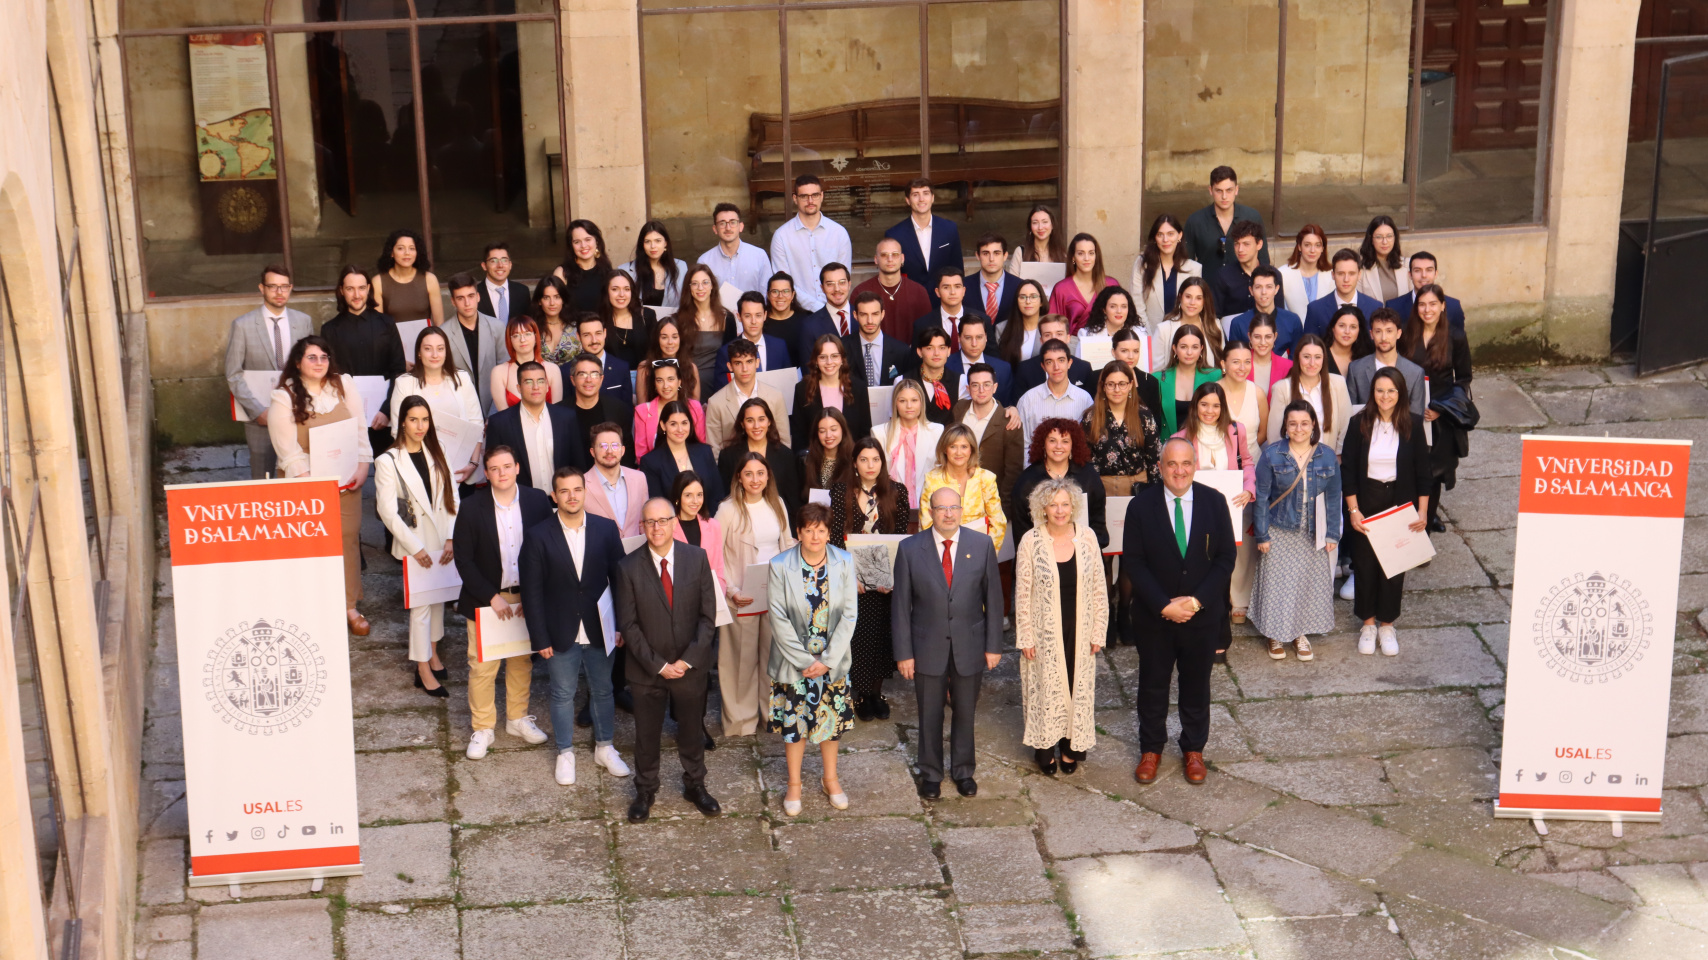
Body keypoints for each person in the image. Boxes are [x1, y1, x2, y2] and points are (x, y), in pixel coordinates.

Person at [1125, 438, 1237, 785]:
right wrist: (1163, 605)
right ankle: (1151, 749)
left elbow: (1224, 559)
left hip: (1201, 617)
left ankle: (1193, 749)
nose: (1179, 470)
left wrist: (1196, 601)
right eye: (1171, 464)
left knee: (1196, 685)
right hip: (1155, 617)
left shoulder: (1214, 502)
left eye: (1185, 463)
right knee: (1153, 684)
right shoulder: (1141, 507)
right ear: (1160, 467)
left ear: (1195, 465)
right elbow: (1134, 562)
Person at [613, 497, 721, 822]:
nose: (657, 527)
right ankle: (645, 791)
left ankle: (695, 785)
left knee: (691, 730)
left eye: (663, 520)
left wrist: (687, 661)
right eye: (650, 522)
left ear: (674, 522)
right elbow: (628, 626)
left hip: (689, 667)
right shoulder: (627, 567)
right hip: (647, 671)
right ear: (642, 526)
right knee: (647, 735)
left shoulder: (696, 558)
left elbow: (707, 616)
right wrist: (659, 665)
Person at [892, 486, 1004, 798]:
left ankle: (964, 771)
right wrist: (904, 653)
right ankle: (930, 773)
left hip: (969, 643)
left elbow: (994, 600)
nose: (948, 513)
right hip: (926, 645)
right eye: (941, 508)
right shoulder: (910, 549)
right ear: (930, 512)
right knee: (929, 712)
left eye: (954, 507)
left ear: (961, 510)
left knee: (966, 711)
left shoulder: (981, 545)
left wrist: (994, 645)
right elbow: (900, 606)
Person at [266, 337, 372, 635]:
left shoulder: (343, 384)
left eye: (324, 356)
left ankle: (349, 605)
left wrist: (363, 465)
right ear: (298, 362)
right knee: (308, 544)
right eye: (311, 357)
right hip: (305, 485)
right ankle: (309, 606)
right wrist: (316, 483)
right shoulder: (284, 397)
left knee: (347, 541)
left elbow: (360, 426)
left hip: (346, 480)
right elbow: (288, 451)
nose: (319, 362)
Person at [454, 445, 553, 760]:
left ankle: (517, 718)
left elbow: (547, 549)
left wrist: (533, 593)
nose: (501, 473)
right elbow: (464, 559)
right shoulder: (471, 507)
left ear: (517, 468)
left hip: (526, 596)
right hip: (487, 599)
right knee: (482, 667)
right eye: (494, 468)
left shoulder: (537, 501)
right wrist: (491, 596)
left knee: (522, 661)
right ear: (487, 473)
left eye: (507, 467)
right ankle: (483, 727)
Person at [766, 502, 859, 815]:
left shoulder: (844, 561)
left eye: (821, 530)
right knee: (795, 722)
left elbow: (849, 614)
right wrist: (805, 661)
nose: (816, 536)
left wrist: (828, 659)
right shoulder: (780, 565)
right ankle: (794, 784)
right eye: (809, 530)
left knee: (829, 723)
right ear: (799, 532)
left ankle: (830, 778)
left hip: (831, 660)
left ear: (828, 532)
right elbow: (777, 617)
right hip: (796, 662)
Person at [1014, 478, 1108, 775]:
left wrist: (1099, 630)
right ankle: (1044, 747)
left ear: (1074, 506)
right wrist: (1026, 636)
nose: (1059, 510)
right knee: (1046, 688)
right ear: (1042, 507)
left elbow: (1099, 587)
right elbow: (1022, 593)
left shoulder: (1088, 537)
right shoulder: (1031, 540)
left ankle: (1071, 748)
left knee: (1076, 687)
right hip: (1044, 632)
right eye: (1053, 504)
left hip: (1081, 628)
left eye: (1065, 504)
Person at [376, 397, 461, 698]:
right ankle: (422, 667)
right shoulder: (388, 461)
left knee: (438, 601)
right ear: (402, 422)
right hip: (417, 545)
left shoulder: (437, 451)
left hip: (442, 540)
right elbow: (387, 511)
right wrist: (415, 548)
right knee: (422, 608)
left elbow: (453, 494)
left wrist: (452, 536)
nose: (420, 426)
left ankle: (433, 654)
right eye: (414, 419)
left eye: (425, 419)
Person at [1342, 369, 1430, 657]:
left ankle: (1387, 624)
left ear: (1400, 393)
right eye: (1380, 390)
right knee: (1365, 564)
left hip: (1400, 501)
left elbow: (1423, 473)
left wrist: (1423, 513)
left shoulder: (1414, 425)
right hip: (1366, 499)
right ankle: (1367, 624)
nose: (1385, 396)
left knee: (1395, 565)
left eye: (1391, 391)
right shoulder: (1359, 424)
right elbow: (1349, 471)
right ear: (1372, 393)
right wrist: (1353, 509)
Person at [1251, 402, 1342, 661]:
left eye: (1304, 423)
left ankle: (1299, 633)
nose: (1299, 428)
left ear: (1313, 424)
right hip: (1279, 527)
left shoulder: (1326, 455)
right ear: (1285, 427)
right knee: (1277, 584)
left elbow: (1334, 497)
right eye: (1293, 423)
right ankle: (1275, 634)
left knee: (1305, 584)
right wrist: (1262, 535)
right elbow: (1261, 498)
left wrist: (1332, 534)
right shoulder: (1272, 454)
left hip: (1312, 529)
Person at [716, 453, 796, 736]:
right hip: (741, 595)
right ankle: (740, 721)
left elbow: (787, 545)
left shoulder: (777, 504)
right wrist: (732, 590)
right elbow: (717, 555)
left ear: (768, 476)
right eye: (748, 474)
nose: (755, 479)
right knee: (741, 660)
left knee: (773, 657)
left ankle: (770, 715)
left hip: (774, 592)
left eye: (760, 473)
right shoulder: (726, 510)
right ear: (739, 477)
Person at [828, 438, 909, 719]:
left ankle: (876, 691)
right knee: (857, 635)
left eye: (875, 460)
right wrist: (851, 577)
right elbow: (836, 538)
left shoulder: (897, 491)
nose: (870, 465)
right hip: (852, 576)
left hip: (886, 578)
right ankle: (860, 695)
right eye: (864, 459)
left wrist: (892, 578)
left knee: (882, 635)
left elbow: (899, 537)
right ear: (854, 462)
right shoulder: (841, 492)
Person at [1172, 382, 1256, 652]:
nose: (1210, 410)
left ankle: (1221, 637)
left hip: (1227, 510)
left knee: (1222, 570)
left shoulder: (1235, 430)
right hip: (1193, 512)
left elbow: (1248, 462)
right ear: (1195, 406)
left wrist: (1248, 489)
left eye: (1216, 405)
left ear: (1223, 408)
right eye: (1204, 404)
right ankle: (1195, 632)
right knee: (1197, 570)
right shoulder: (1181, 437)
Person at [1398, 283, 1472, 532]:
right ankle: (1405, 526)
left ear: (1442, 306)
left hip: (1440, 417)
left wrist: (1442, 408)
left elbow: (1463, 379)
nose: (1427, 310)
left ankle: (1425, 528)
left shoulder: (1455, 336)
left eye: (1432, 304)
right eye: (1422, 304)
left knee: (1432, 475)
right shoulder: (1405, 334)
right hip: (1408, 413)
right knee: (1408, 471)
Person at [228, 264, 313, 479]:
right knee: (263, 475)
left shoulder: (303, 322)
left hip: (298, 411)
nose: (279, 292)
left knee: (301, 471)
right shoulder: (243, 325)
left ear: (291, 288)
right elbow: (233, 373)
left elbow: (311, 367)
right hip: (260, 415)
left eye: (284, 287)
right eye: (273, 286)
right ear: (261, 288)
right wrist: (257, 411)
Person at [320, 265, 408, 460]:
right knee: (347, 476)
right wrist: (342, 413)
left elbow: (398, 370)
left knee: (388, 474)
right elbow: (327, 376)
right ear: (342, 291)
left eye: (361, 288)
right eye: (350, 289)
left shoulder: (386, 323)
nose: (356, 294)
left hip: (382, 417)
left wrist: (387, 410)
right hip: (346, 418)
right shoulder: (329, 330)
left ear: (368, 289)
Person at [671, 471, 727, 753]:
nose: (694, 501)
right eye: (688, 495)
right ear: (677, 497)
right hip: (675, 609)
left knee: (701, 670)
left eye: (699, 495)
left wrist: (719, 595)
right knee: (678, 668)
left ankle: (697, 723)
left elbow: (718, 567)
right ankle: (682, 721)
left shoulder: (712, 525)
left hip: (707, 608)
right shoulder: (667, 525)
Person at [388, 327, 484, 484]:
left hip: (461, 470)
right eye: (428, 349)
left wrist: (473, 463)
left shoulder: (462, 379)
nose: (435, 355)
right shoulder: (404, 383)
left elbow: (476, 423)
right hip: (420, 470)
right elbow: (398, 431)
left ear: (446, 352)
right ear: (419, 353)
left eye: (440, 349)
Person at [485, 361, 587, 492]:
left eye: (540, 381)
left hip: (561, 501)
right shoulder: (500, 423)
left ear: (547, 386)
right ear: (519, 388)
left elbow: (578, 464)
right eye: (528, 382)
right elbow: (493, 469)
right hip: (521, 502)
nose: (535, 387)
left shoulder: (566, 418)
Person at [1010, 418, 1108, 549]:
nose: (1058, 446)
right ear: (1043, 444)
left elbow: (1097, 520)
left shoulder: (1089, 476)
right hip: (1040, 554)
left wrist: (1086, 548)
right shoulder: (1027, 480)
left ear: (1073, 445)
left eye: (1065, 441)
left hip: (1083, 551)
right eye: (1052, 441)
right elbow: (1021, 528)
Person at [950, 364, 1025, 525]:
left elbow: (1013, 472)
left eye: (986, 385)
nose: (981, 390)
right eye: (975, 385)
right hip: (957, 497)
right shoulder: (959, 409)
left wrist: (1001, 509)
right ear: (968, 388)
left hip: (990, 501)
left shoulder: (1009, 422)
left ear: (995, 387)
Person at [769, 174, 852, 314]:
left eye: (815, 195)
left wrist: (828, 308)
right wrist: (817, 308)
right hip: (798, 312)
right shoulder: (781, 236)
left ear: (822, 196)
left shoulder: (839, 233)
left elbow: (843, 278)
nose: (810, 200)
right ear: (795, 198)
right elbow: (784, 283)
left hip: (834, 310)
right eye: (804, 196)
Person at [918, 424, 1008, 551]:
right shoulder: (932, 479)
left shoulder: (986, 478)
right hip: (942, 553)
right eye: (953, 446)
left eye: (964, 447)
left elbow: (998, 524)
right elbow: (926, 525)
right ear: (945, 449)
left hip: (978, 551)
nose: (958, 452)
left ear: (971, 449)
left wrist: (983, 556)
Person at [717, 396, 801, 530]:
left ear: (769, 422)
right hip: (741, 527)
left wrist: (792, 536)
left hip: (778, 526)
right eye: (750, 420)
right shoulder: (728, 456)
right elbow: (724, 497)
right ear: (742, 424)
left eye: (761, 419)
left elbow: (792, 501)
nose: (756, 426)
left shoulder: (785, 455)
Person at [1082, 359, 1160, 497]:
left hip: (1140, 488)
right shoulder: (1091, 417)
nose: (1117, 390)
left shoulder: (1144, 416)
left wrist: (1155, 494)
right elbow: (1085, 459)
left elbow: (1154, 459)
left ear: (1130, 385)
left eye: (1122, 384)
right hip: (1103, 489)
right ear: (1103, 386)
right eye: (1111, 384)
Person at [1265, 335, 1354, 454]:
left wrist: (1337, 456)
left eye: (1317, 357)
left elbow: (1346, 426)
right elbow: (1275, 435)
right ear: (1298, 358)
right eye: (1306, 357)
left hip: (1327, 463)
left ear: (1324, 359)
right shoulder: (1282, 388)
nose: (1312, 363)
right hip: (1293, 464)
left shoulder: (1338, 384)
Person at [707, 337, 793, 453]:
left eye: (749, 361)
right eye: (738, 363)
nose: (745, 369)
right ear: (730, 366)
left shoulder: (775, 396)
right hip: (733, 467)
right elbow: (714, 449)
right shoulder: (716, 403)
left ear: (757, 363)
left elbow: (784, 442)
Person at [885, 177, 964, 303]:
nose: (921, 199)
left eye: (926, 194)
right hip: (909, 302)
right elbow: (892, 275)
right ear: (908, 200)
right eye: (915, 195)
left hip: (943, 302)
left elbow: (957, 269)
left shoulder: (949, 229)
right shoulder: (894, 234)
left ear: (932, 198)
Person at [1183, 165, 1270, 278]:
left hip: (1243, 290)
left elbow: (1263, 260)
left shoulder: (1252, 216)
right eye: (1219, 191)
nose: (1224, 197)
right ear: (1210, 190)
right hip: (1208, 291)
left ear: (1236, 190)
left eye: (1229, 190)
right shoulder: (1195, 221)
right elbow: (1186, 264)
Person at [442, 272, 507, 417]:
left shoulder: (497, 327)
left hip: (495, 406)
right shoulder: (443, 334)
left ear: (478, 297)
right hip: (460, 410)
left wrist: (495, 413)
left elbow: (505, 370)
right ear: (453, 301)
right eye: (460, 298)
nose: (467, 303)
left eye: (471, 296)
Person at [792, 335, 872, 453]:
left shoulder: (858, 388)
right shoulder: (802, 389)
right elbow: (799, 437)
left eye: (834, 356)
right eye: (823, 357)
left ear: (842, 359)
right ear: (816, 361)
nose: (829, 362)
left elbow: (865, 433)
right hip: (816, 462)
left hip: (851, 461)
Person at [871, 380, 942, 512]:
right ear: (895, 404)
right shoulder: (879, 433)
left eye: (914, 400)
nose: (909, 406)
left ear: (921, 403)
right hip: (889, 505)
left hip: (928, 505)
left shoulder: (937, 431)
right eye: (902, 401)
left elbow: (939, 472)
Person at [640, 400, 724, 507]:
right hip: (673, 522)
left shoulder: (705, 452)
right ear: (663, 425)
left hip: (707, 520)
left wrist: (708, 522)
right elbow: (658, 505)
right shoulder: (651, 462)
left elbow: (718, 495)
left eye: (684, 423)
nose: (680, 429)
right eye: (673, 424)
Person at [1346, 308, 1426, 416]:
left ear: (1398, 333)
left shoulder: (1415, 373)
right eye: (1378, 331)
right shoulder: (1355, 369)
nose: (1384, 338)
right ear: (1371, 334)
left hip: (1402, 431)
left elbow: (1416, 418)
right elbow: (1351, 414)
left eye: (1389, 331)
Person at [853, 237, 932, 344]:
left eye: (895, 254)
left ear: (902, 258)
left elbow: (928, 332)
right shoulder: (861, 292)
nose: (890, 259)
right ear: (876, 259)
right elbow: (854, 332)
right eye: (884, 255)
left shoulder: (919, 292)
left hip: (911, 357)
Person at [1131, 214, 1202, 331]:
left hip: (1183, 337)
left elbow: (1194, 308)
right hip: (1150, 333)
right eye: (1160, 235)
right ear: (1154, 238)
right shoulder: (1142, 264)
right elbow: (1137, 304)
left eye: (1170, 234)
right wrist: (1149, 336)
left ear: (1179, 235)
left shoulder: (1194, 268)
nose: (1165, 240)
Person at [713, 292, 793, 394]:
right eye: (747, 316)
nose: (753, 321)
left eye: (758, 315)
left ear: (765, 315)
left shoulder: (779, 347)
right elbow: (721, 393)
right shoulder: (725, 352)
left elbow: (788, 385)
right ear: (739, 316)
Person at [1016, 339, 1095, 441]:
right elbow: (1023, 443)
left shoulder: (1085, 399)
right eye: (1049, 362)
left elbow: (1088, 441)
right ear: (1043, 366)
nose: (1056, 367)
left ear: (1069, 363)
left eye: (1061, 360)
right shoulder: (1028, 399)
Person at [674, 263, 737, 391]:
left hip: (720, 385)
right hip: (688, 385)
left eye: (705, 282)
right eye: (695, 283)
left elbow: (732, 358)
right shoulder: (677, 320)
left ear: (712, 286)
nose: (700, 288)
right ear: (689, 288)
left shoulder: (727, 318)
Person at [565, 354, 636, 466]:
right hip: (572, 480)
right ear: (573, 380)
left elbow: (627, 453)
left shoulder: (618, 409)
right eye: (582, 374)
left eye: (594, 374)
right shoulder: (559, 412)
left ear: (601, 379)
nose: (588, 380)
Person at [632, 359, 707, 460]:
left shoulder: (695, 407)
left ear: (679, 382)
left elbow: (701, 445)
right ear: (655, 384)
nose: (665, 386)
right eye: (659, 380)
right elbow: (641, 455)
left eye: (670, 379)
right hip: (655, 471)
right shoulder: (642, 411)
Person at [583, 421, 647, 537]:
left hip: (636, 552)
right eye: (603, 446)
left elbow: (643, 522)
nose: (610, 451)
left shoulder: (639, 478)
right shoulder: (581, 484)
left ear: (622, 450)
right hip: (600, 554)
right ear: (593, 452)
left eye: (615, 445)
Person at [1224, 266, 1303, 359]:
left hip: (1285, 372)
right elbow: (1235, 358)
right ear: (1251, 290)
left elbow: (1296, 358)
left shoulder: (1292, 321)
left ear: (1276, 289)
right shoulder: (1238, 324)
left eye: (1269, 287)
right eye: (1258, 287)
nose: (1264, 292)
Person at [1303, 249, 1382, 340]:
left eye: (1351, 274)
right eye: (1341, 274)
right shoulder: (1315, 309)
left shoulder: (1375, 307)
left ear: (1359, 275)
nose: (1346, 279)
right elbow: (1309, 347)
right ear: (1333, 275)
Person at [1157, 325, 1221, 438]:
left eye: (1194, 347)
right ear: (1174, 348)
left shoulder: (1215, 376)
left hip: (1204, 446)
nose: (1189, 352)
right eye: (1183, 347)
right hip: (1168, 445)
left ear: (1201, 349)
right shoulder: (1158, 378)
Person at [697, 203, 773, 296]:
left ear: (741, 226)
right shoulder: (705, 261)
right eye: (722, 223)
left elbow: (767, 294)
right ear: (715, 229)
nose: (728, 228)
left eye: (732, 222)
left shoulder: (759, 256)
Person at [491, 317, 564, 412]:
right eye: (516, 335)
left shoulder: (552, 369)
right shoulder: (499, 372)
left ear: (535, 337)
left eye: (527, 334)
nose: (522, 340)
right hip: (512, 426)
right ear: (510, 340)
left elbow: (556, 412)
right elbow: (503, 416)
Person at [371, 228, 443, 324]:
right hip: (392, 338)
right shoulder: (378, 282)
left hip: (425, 338)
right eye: (400, 248)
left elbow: (440, 323)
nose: (407, 253)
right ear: (391, 252)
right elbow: (377, 326)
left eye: (412, 248)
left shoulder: (430, 279)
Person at [1384, 251, 1467, 334]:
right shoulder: (1393, 307)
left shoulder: (1453, 306)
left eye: (1429, 270)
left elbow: (1459, 342)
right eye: (1417, 270)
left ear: (1436, 274)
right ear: (1410, 275)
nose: (1424, 275)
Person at [1049, 233, 1118, 331]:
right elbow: (1052, 326)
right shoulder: (1061, 289)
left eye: (1091, 253)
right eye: (1081, 253)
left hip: (1105, 343)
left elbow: (1122, 319)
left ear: (1096, 256)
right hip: (1071, 344)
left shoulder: (1111, 284)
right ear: (1073, 257)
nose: (1087, 258)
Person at [1152, 277, 1222, 372]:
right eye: (1188, 297)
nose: (1192, 303)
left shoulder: (1215, 325)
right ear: (1180, 297)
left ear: (1204, 301)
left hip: (1208, 384)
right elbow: (1156, 370)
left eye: (1198, 298)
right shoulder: (1163, 329)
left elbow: (1220, 364)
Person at [1013, 315, 1095, 396]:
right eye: (1047, 335)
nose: (1053, 338)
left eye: (1059, 334)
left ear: (1068, 338)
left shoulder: (1084, 368)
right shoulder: (1024, 369)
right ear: (1041, 340)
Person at [618, 219, 690, 312]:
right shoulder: (625, 270)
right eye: (647, 241)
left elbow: (687, 302)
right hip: (639, 324)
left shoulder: (681, 267)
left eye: (658, 241)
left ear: (665, 243)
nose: (653, 246)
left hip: (671, 324)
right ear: (642, 245)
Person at [844, 290, 912, 387]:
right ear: (855, 315)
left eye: (875, 314)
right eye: (864, 314)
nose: (870, 321)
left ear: (882, 314)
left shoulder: (901, 351)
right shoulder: (842, 348)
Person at [793, 263, 853, 361]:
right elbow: (809, 370)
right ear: (822, 288)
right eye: (830, 284)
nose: (837, 289)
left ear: (849, 285)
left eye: (842, 282)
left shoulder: (863, 317)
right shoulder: (809, 325)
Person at [554, 219, 615, 315]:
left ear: (597, 241)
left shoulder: (607, 270)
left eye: (588, 239)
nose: (583, 245)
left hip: (601, 328)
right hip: (572, 328)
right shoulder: (562, 273)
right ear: (571, 245)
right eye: (577, 242)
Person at [946, 317, 1014, 403]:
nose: (974, 343)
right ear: (959, 338)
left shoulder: (1003, 369)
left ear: (986, 337)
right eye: (968, 338)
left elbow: (1006, 405)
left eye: (979, 337)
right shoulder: (945, 366)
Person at [637, 317, 703, 403]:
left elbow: (695, 407)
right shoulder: (644, 368)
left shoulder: (691, 368)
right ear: (657, 339)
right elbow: (642, 407)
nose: (670, 342)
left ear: (680, 339)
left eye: (675, 337)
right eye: (664, 337)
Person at [573, 313, 634, 404]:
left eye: (598, 333)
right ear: (578, 337)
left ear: (605, 333)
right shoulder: (566, 370)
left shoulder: (621, 368)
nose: (594, 340)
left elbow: (627, 410)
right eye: (587, 335)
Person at [1211, 220, 1265, 318]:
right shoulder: (1223, 276)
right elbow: (1214, 316)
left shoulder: (1272, 274)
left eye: (1246, 244)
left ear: (1259, 244)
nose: (1240, 249)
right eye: (1236, 244)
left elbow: (1278, 313)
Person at [914, 267, 983, 344]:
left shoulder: (982, 320)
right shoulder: (922, 324)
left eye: (957, 286)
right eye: (946, 287)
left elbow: (990, 354)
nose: (952, 292)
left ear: (963, 291)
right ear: (937, 292)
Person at [1109, 328, 1166, 417]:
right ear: (1113, 352)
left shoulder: (1150, 382)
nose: (1131, 356)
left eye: (1135, 351)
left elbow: (1156, 421)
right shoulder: (1097, 378)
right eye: (1124, 351)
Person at [967, 233, 1020, 326]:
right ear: (977, 255)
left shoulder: (1019, 286)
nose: (991, 259)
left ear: (1005, 255)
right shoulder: (964, 286)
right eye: (985, 253)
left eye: (996, 253)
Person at [994, 279, 1049, 366]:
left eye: (1033, 297)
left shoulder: (1050, 327)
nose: (1028, 301)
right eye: (1022, 297)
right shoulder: (1002, 328)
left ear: (1041, 301)